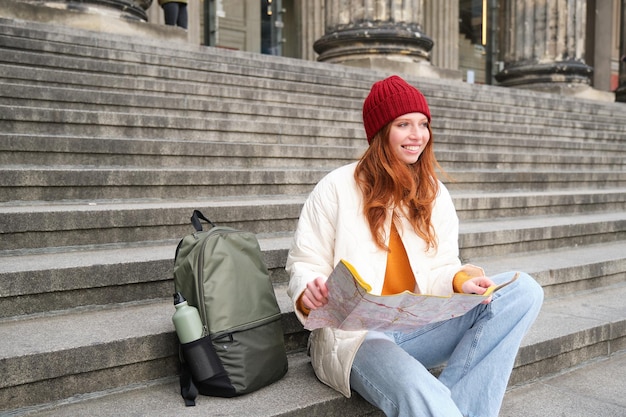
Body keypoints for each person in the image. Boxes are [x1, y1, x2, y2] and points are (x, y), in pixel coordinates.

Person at [286, 75, 544, 417]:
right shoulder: (335, 187)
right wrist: (308, 293)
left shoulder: (433, 192)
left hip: (418, 326)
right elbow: (305, 261)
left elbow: (443, 265)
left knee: (523, 291)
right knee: (417, 386)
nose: (417, 135)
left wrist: (461, 281)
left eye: (422, 124)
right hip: (356, 337)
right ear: (381, 132)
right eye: (403, 124)